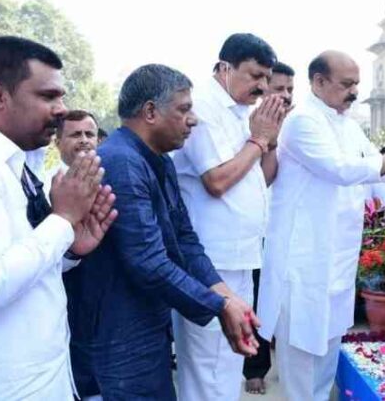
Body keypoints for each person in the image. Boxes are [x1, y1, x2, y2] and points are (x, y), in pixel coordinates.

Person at [0, 36, 117, 400]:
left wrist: (72, 249)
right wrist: (62, 220)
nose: (61, 109)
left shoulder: (18, 162)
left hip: (42, 379)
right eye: (47, 96)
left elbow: (23, 264)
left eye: (61, 96)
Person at [257, 51, 385, 400]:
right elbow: (343, 170)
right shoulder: (302, 122)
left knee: (327, 359)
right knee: (302, 362)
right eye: (346, 84)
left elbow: (381, 174)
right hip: (302, 265)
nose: (354, 92)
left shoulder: (346, 125)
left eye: (356, 85)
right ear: (318, 82)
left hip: (338, 262)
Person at [65, 64, 258, 401]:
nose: (194, 119)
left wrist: (227, 295)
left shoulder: (158, 160)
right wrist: (218, 306)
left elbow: (184, 240)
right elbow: (147, 261)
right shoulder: (121, 162)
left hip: (146, 324)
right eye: (184, 109)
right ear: (151, 112)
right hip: (119, 333)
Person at [172, 33, 285, 401]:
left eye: (266, 78)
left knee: (231, 358)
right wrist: (257, 141)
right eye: (255, 75)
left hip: (240, 256)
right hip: (210, 260)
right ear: (224, 68)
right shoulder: (202, 107)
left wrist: (270, 139)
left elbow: (261, 178)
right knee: (206, 363)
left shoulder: (240, 114)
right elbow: (217, 181)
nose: (262, 86)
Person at [243, 60, 297, 396]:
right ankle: (255, 367)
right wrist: (267, 141)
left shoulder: (302, 124)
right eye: (279, 89)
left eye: (290, 90)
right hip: (256, 231)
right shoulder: (248, 126)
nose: (286, 96)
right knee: (257, 300)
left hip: (291, 230)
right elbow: (263, 178)